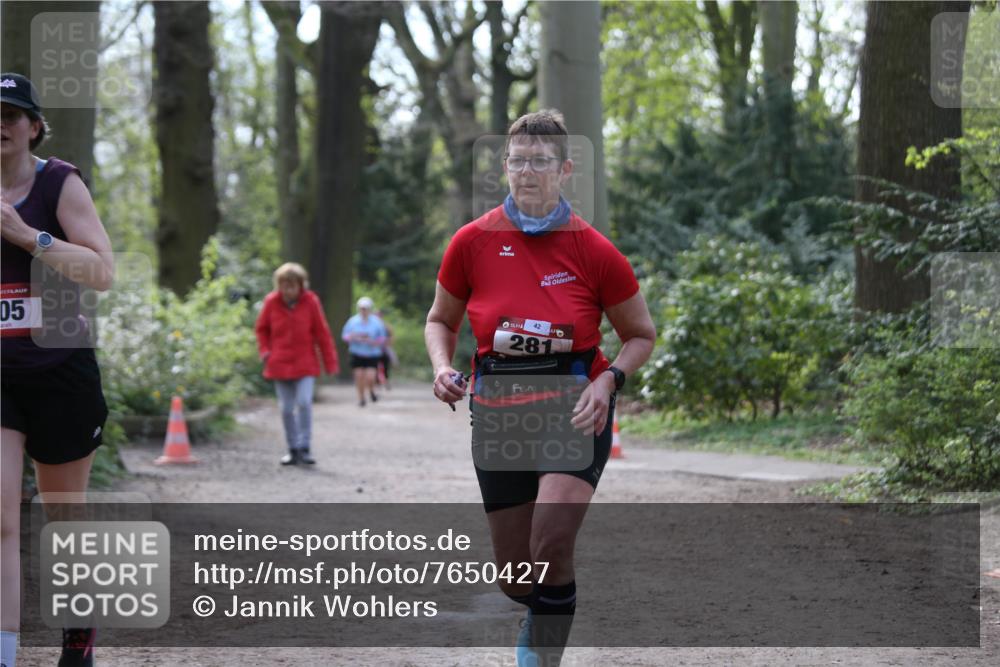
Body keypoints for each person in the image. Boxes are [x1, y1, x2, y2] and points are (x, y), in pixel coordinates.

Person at [424, 110, 656, 666]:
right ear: (504, 166)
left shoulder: (594, 250)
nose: (527, 171)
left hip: (574, 410)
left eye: (541, 161)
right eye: (518, 160)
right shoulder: (471, 242)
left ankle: (542, 655)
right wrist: (440, 366)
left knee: (551, 543)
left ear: (565, 169)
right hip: (500, 413)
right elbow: (440, 320)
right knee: (515, 575)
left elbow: (640, 335)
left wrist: (608, 381)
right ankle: (546, 609)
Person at [1, 73, 115, 667]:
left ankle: (78, 631)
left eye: (11, 114)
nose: (0, 123)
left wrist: (28, 237)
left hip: (61, 368)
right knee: (0, 514)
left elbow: (101, 271)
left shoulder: (59, 183)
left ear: (34, 127)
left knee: (62, 516)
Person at [254, 262, 338, 465]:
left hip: (305, 364)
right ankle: (292, 449)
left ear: (301, 285)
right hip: (279, 363)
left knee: (304, 402)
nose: (288, 290)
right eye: (284, 285)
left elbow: (322, 333)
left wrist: (330, 363)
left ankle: (304, 447)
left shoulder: (311, 302)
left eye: (292, 286)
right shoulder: (271, 302)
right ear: (278, 285)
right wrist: (265, 351)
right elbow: (261, 329)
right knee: (285, 408)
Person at [341, 297, 387, 407]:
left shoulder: (377, 322)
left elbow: (382, 337)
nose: (363, 310)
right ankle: (361, 398)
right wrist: (352, 337)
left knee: (370, 377)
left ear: (370, 309)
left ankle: (371, 391)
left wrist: (374, 342)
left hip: (372, 354)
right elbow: (345, 336)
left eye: (366, 308)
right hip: (356, 353)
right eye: (362, 308)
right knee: (359, 376)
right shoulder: (352, 321)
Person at [375, 308, 396, 390]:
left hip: (384, 349)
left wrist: (386, 342)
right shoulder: (371, 325)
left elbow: (392, 337)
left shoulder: (386, 326)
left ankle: (386, 381)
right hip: (374, 350)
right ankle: (376, 382)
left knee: (386, 365)